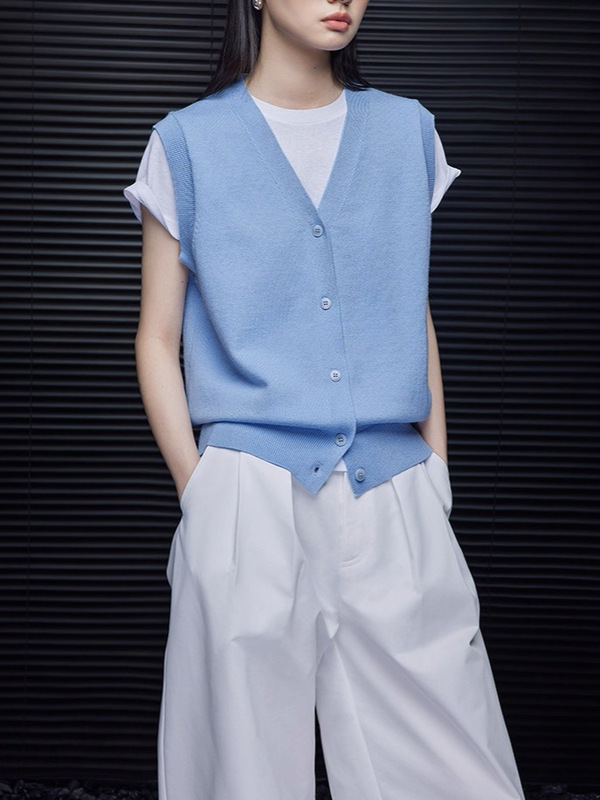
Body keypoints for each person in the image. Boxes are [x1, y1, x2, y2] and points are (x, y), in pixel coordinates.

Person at [123, 1, 526, 798]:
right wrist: (201, 490)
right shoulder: (187, 143)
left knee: (454, 767)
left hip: (394, 484)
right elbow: (155, 339)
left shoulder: (408, 132)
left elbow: (409, 311)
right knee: (241, 772)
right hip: (247, 492)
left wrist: (437, 469)